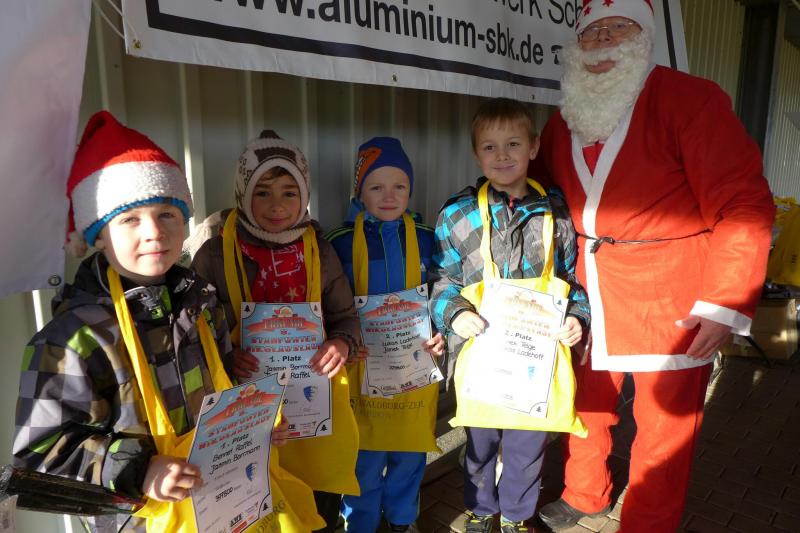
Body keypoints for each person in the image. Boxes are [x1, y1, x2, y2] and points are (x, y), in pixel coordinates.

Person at [532, 1, 775, 531]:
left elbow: (743, 204)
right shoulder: (565, 116)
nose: (604, 39)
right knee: (586, 402)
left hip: (670, 291)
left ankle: (649, 521)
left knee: (666, 425)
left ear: (643, 37)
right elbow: (537, 196)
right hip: (587, 288)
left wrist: (724, 302)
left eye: (619, 27)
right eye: (593, 30)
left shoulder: (691, 100)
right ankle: (585, 492)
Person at [11, 111, 290, 532]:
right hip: (137, 521)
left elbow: (224, 386)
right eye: (130, 219)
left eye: (167, 214)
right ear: (97, 235)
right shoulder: (72, 339)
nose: (154, 232)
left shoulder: (202, 303)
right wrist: (140, 469)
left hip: (218, 503)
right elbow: (38, 455)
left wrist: (255, 423)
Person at [429, 98, 591, 533]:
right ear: (476, 153)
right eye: (490, 147)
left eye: (513, 144)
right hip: (482, 358)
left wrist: (576, 316)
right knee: (480, 445)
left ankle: (517, 516)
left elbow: (571, 279)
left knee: (526, 448)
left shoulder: (556, 212)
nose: (502, 156)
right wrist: (454, 314)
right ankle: (481, 510)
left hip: (535, 363)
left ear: (534, 147)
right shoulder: (457, 214)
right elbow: (440, 279)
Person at [191, 129, 362, 532]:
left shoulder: (318, 249)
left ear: (305, 195)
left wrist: (342, 343)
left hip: (311, 410)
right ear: (242, 193)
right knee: (261, 508)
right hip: (244, 410)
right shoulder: (214, 252)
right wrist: (227, 359)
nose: (277, 206)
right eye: (263, 192)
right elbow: (197, 336)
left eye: (289, 192)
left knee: (316, 506)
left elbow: (346, 317)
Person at [325, 137, 445, 533]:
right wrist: (342, 340)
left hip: (413, 364)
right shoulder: (339, 242)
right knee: (364, 454)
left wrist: (440, 331)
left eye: (399, 186)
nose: (389, 196)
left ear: (410, 190)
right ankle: (359, 523)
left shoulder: (426, 236)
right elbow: (327, 302)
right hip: (362, 367)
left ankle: (402, 519)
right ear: (359, 191)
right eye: (376, 186)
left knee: (410, 453)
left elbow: (443, 287)